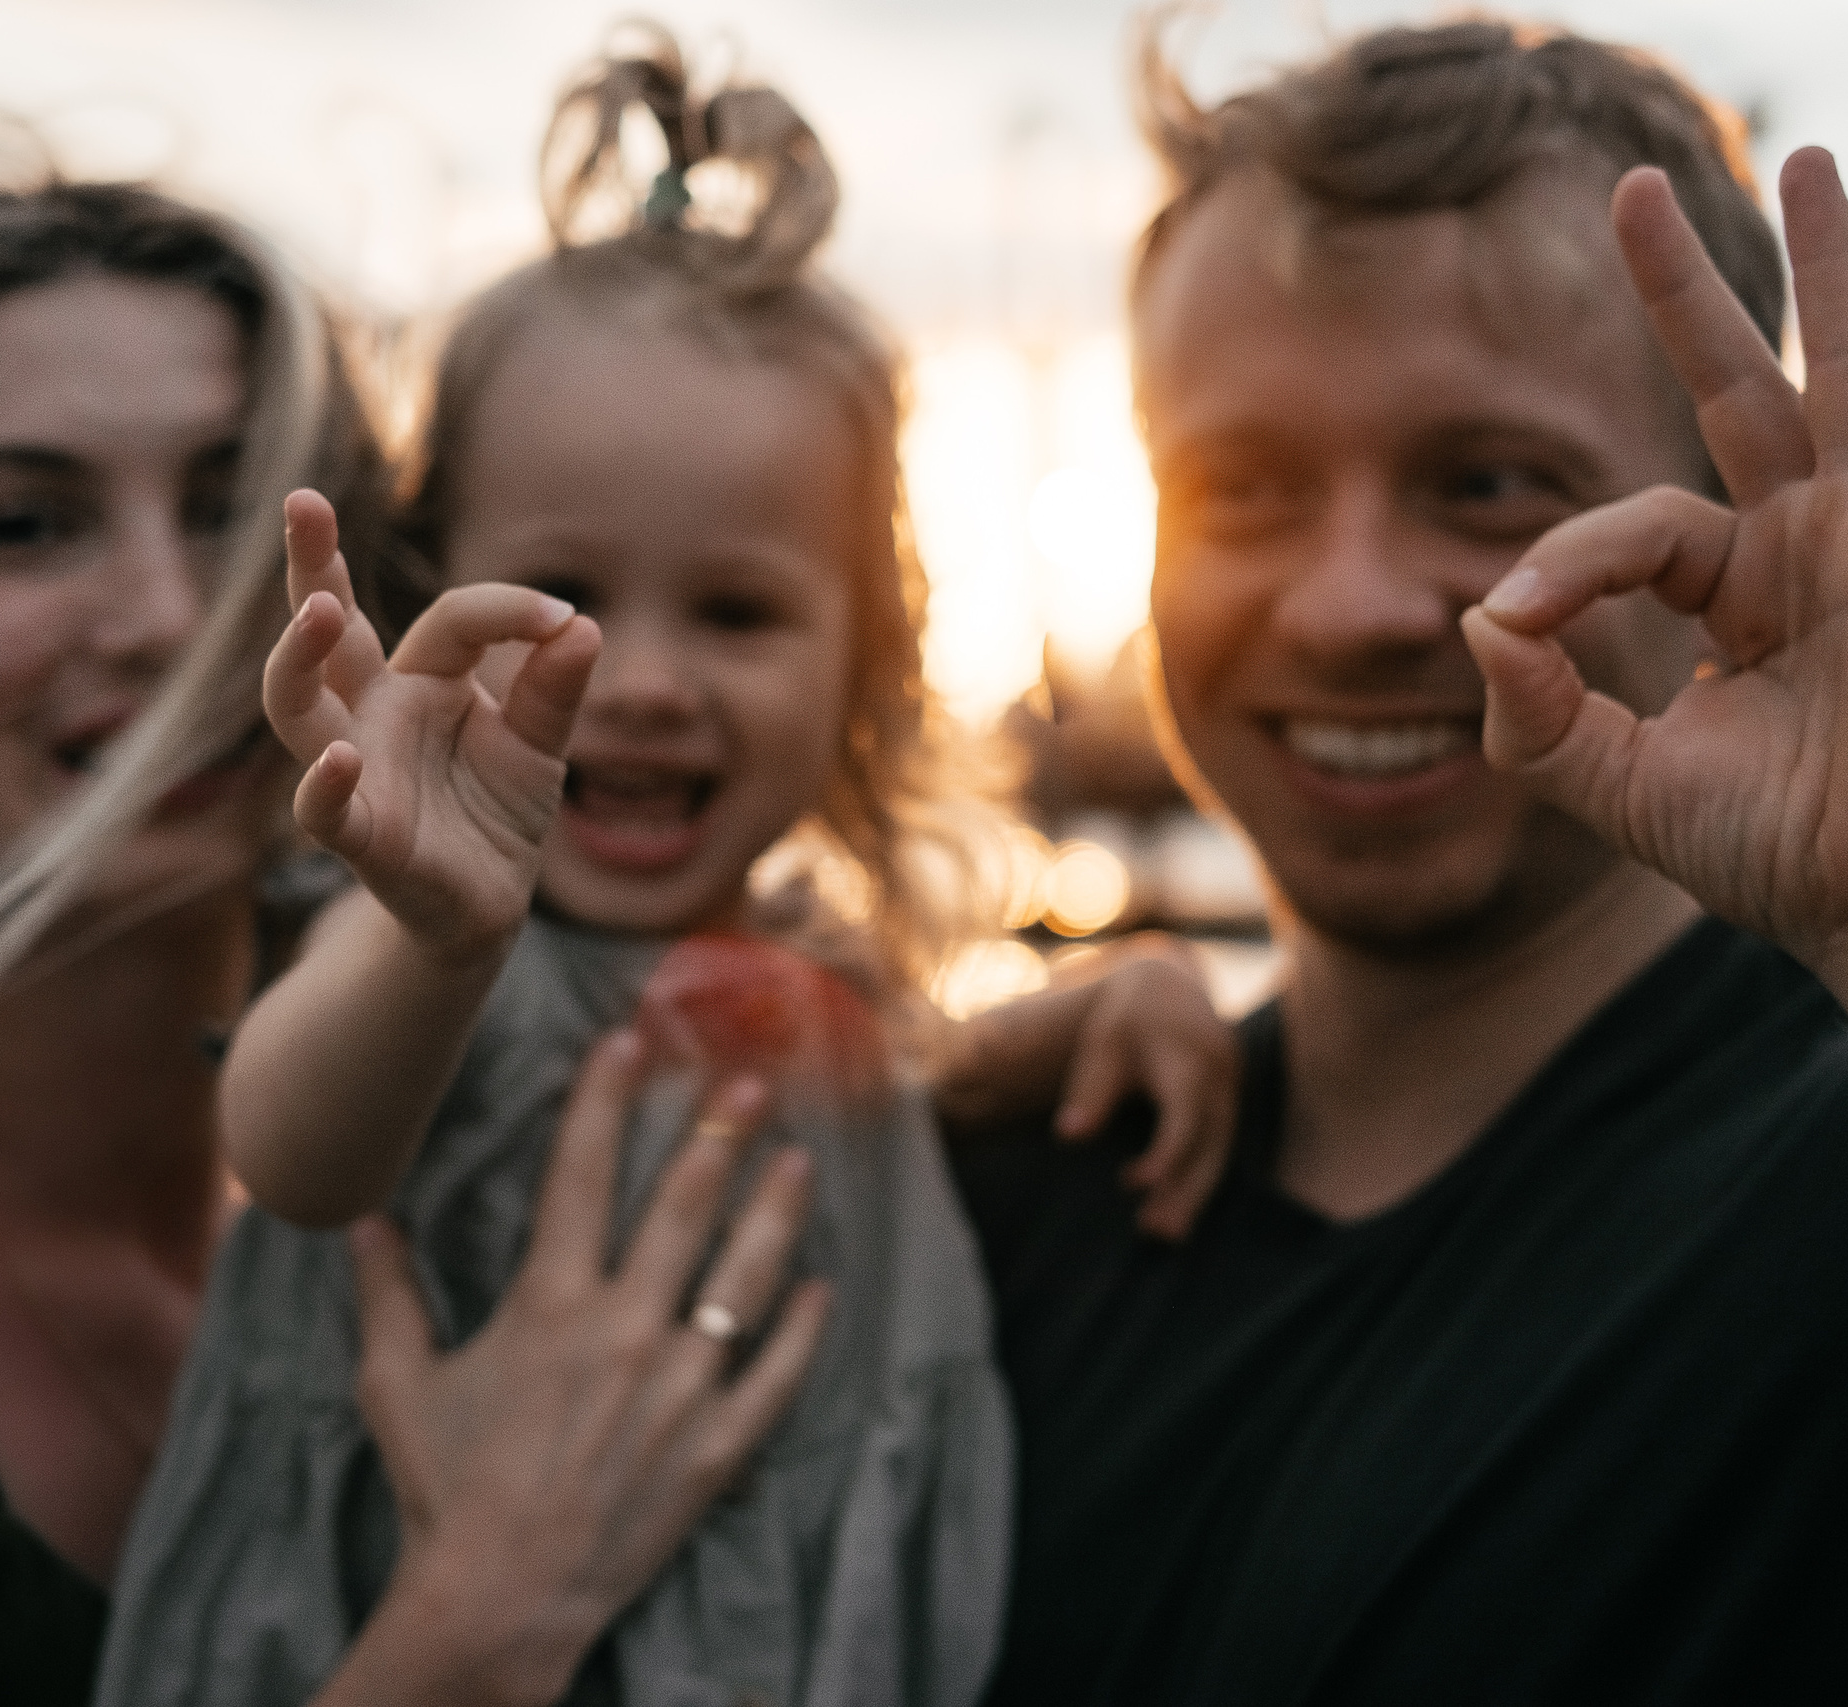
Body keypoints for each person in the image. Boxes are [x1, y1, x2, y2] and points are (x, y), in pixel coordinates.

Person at [948, 19, 1848, 1704]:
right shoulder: (1042, 1177)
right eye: (1247, 485)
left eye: (1487, 481)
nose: (1346, 604)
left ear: (1717, 517)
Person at [94, 33, 1231, 1707]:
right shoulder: (412, 947)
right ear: (430, 600)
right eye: (561, 594)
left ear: (868, 660)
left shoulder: (805, 963)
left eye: (741, 611)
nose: (638, 679)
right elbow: (295, 1146)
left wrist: (1085, 1007)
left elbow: (893, 1082)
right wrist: (432, 937)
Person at [0, 159, 839, 1707]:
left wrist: (1096, 1020)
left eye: (243, 511)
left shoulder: (424, 1155)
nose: (170, 613)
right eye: (25, 524)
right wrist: (487, 1619)